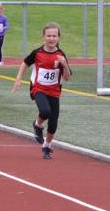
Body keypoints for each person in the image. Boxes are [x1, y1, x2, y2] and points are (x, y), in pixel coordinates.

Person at [11, 23, 72, 160]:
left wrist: (64, 64)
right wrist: (18, 79)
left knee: (53, 123)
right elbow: (25, 63)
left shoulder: (61, 55)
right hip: (39, 88)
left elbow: (67, 77)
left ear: (59, 37)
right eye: (48, 36)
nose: (51, 38)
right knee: (45, 111)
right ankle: (37, 124)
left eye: (54, 36)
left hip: (54, 91)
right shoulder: (37, 53)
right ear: (43, 37)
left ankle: (47, 146)